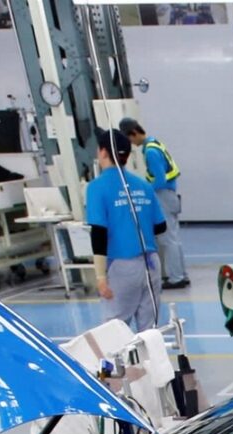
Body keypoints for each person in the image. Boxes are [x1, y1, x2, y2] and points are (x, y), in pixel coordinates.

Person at [85, 127, 166, 336]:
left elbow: (99, 233)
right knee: (149, 332)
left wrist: (100, 277)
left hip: (122, 267)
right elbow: (160, 226)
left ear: (103, 152)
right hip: (151, 264)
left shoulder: (97, 187)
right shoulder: (143, 185)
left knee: (115, 332)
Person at [120, 117, 189, 290]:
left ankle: (176, 277)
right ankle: (181, 274)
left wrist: (144, 190)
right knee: (174, 237)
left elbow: (159, 180)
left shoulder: (150, 152)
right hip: (170, 195)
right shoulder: (155, 143)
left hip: (163, 196)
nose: (131, 143)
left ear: (134, 133)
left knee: (167, 239)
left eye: (129, 139)